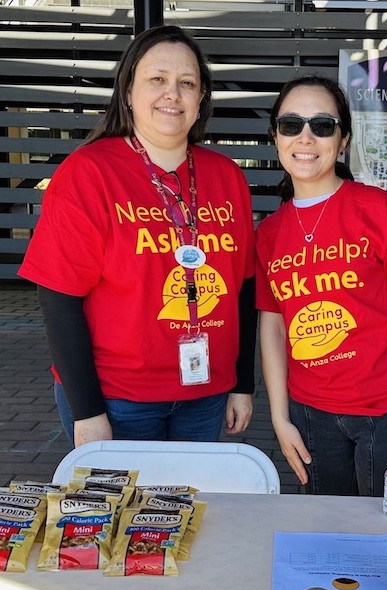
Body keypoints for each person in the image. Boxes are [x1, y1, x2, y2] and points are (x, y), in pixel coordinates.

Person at [18, 25, 256, 449]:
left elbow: (244, 286)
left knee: (194, 511)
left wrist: (242, 383)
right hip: (118, 399)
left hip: (205, 392)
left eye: (187, 83)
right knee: (121, 515)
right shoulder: (89, 173)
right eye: (157, 79)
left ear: (201, 99)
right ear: (127, 91)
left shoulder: (227, 176)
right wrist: (88, 411)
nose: (173, 93)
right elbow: (58, 297)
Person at [255, 75, 387, 496]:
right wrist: (279, 416)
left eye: (322, 125)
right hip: (310, 413)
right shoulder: (268, 233)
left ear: (342, 140)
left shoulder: (378, 208)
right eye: (291, 125)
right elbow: (272, 327)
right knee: (327, 529)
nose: (306, 137)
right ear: (276, 136)